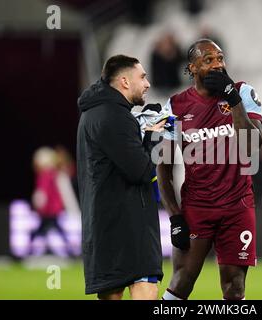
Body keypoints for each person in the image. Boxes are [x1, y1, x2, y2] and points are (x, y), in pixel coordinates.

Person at [158, 39, 262, 300]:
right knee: (181, 283)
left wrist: (233, 99)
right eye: (208, 60)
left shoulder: (243, 92)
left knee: (235, 287)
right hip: (197, 207)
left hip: (237, 206)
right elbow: (163, 168)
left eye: (220, 58)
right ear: (192, 68)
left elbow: (253, 144)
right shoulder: (174, 107)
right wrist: (174, 216)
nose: (217, 64)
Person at [76, 55, 165, 300]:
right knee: (146, 287)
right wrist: (154, 134)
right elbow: (142, 171)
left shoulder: (90, 114)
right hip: (130, 224)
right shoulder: (116, 115)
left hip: (101, 222)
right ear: (125, 81)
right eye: (142, 77)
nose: (147, 83)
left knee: (110, 292)